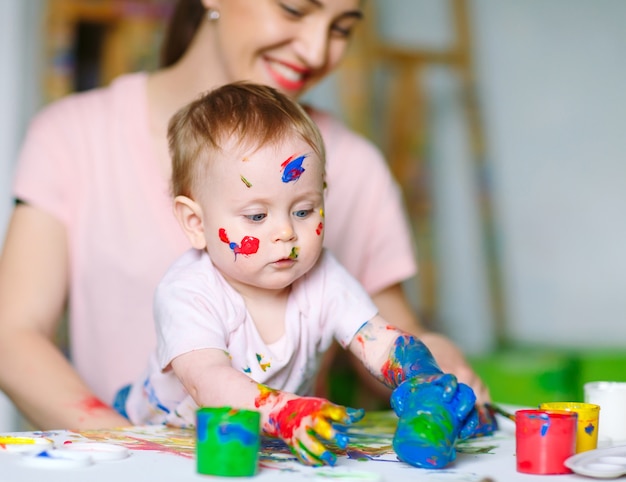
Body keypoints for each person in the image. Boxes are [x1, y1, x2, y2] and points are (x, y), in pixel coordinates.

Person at [0, 0, 488, 430]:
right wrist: (128, 451)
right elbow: (12, 335)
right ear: (192, 219)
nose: (318, 52)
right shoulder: (72, 137)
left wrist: (434, 372)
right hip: (133, 445)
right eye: (294, 9)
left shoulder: (352, 167)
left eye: (342, 28)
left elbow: (380, 336)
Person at [120, 81, 478, 467]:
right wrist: (285, 412)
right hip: (162, 438)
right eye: (257, 216)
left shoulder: (324, 276)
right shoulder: (187, 291)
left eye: (303, 211)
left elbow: (379, 342)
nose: (286, 232)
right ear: (195, 222)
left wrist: (424, 382)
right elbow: (207, 381)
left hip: (266, 442)